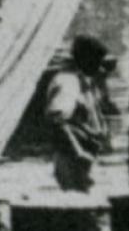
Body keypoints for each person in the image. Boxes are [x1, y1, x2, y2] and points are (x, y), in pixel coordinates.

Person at [44, 34, 119, 192]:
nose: (100, 68)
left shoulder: (84, 81)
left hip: (83, 157)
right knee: (78, 199)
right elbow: (57, 120)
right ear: (86, 60)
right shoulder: (68, 83)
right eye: (97, 62)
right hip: (72, 157)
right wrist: (78, 151)